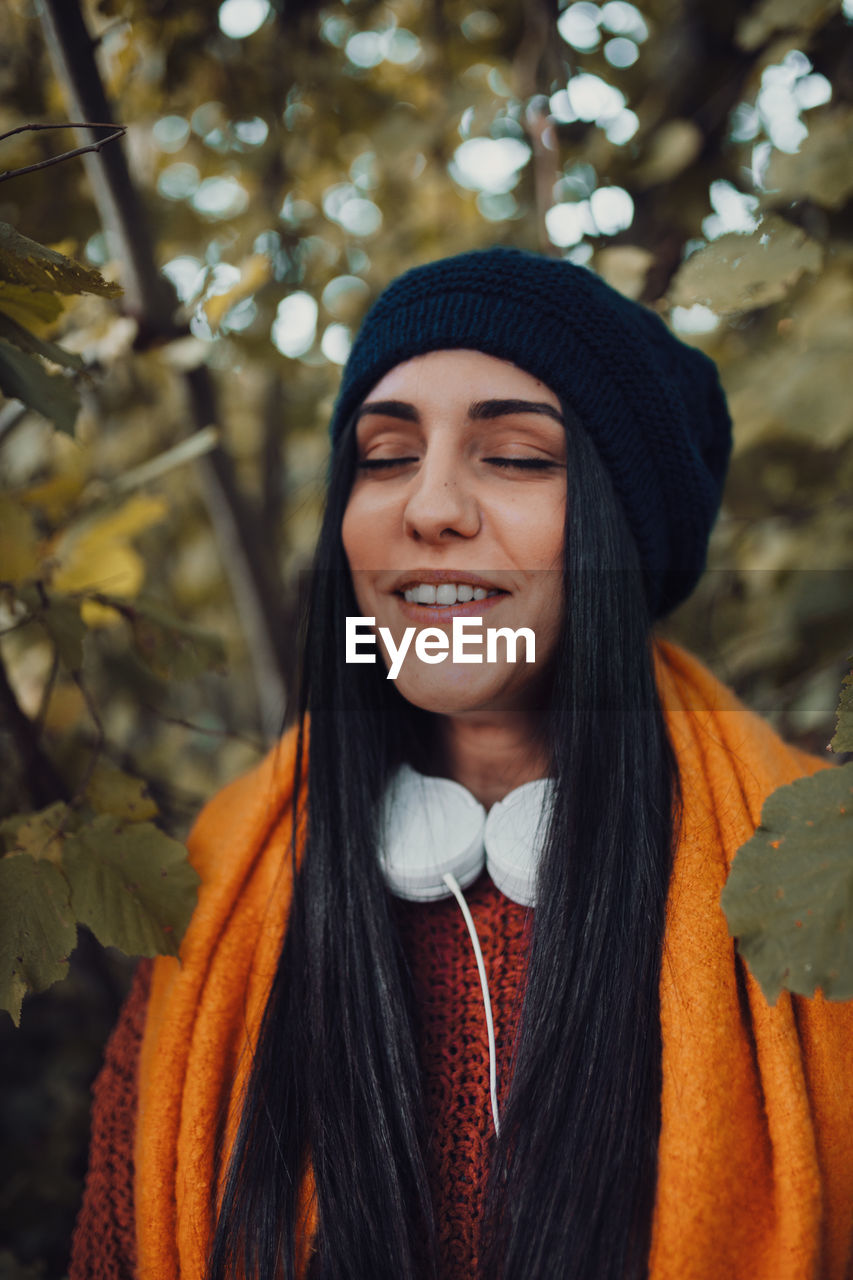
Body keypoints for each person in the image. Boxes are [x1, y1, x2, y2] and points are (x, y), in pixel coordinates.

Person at [70, 247, 853, 1280]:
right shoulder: (211, 887)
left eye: (518, 456)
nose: (426, 506)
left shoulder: (818, 869)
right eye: (385, 456)